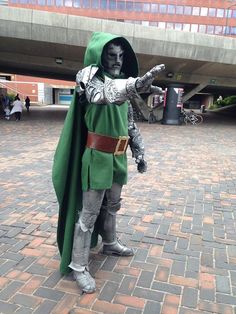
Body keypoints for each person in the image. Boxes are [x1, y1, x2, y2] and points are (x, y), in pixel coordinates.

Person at [52, 32, 165, 294]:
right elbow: (102, 95)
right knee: (88, 215)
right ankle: (78, 266)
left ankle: (110, 242)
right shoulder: (89, 78)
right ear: (100, 55)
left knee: (113, 206)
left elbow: (129, 123)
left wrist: (139, 151)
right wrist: (135, 85)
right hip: (97, 156)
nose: (117, 60)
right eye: (111, 55)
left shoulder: (123, 84)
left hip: (117, 156)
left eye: (121, 55)